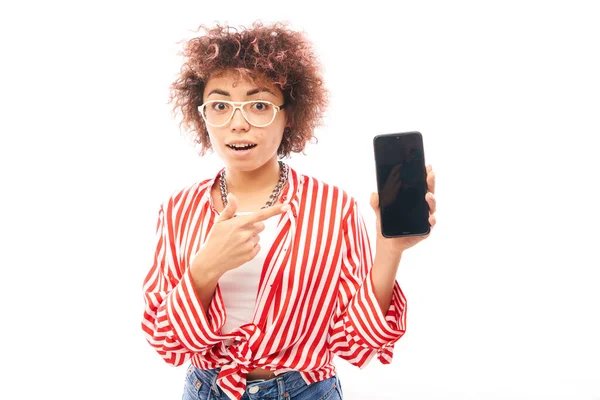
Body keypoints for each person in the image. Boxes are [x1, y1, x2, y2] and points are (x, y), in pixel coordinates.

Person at [141, 21, 437, 400]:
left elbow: (357, 345)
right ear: (202, 114)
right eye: (220, 106)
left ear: (290, 114)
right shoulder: (178, 210)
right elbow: (166, 342)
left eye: (259, 105)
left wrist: (389, 251)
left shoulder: (334, 208)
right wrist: (206, 268)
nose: (238, 123)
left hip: (304, 391)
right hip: (205, 389)